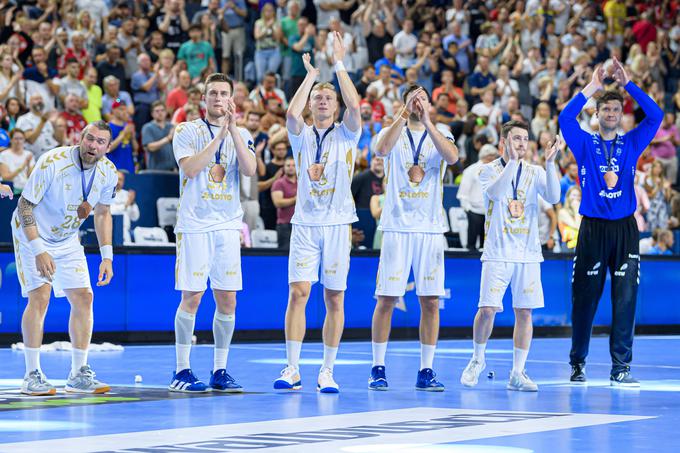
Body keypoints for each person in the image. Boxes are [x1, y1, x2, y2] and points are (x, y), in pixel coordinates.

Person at [558, 58, 663, 386]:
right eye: (606, 110)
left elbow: (656, 115)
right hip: (592, 228)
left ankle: (621, 367)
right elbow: (564, 117)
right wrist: (592, 87)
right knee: (585, 298)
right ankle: (578, 362)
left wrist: (629, 83)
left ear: (621, 115)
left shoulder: (631, 142)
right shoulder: (585, 143)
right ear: (597, 114)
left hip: (625, 230)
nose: (611, 114)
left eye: (617, 110)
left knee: (626, 298)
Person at [273, 33, 361, 393]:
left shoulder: (347, 134)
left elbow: (356, 108)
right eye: (317, 99)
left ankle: (327, 370)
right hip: (306, 224)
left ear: (335, 107)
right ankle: (292, 368)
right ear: (311, 105)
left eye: (328, 98)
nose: (322, 102)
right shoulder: (301, 134)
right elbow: (291, 113)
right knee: (298, 292)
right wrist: (310, 75)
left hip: (339, 224)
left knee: (334, 297)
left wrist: (338, 63)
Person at [11, 121, 117, 396]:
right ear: (80, 137)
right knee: (41, 297)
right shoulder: (53, 162)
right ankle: (32, 375)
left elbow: (103, 213)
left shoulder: (108, 172)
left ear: (108, 147)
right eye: (90, 138)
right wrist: (38, 249)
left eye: (100, 142)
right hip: (31, 232)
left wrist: (107, 257)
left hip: (67, 238)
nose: (93, 146)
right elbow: (24, 205)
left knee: (84, 297)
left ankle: (78, 373)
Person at [169, 73, 256, 393]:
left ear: (232, 99)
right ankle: (181, 370)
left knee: (228, 300)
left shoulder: (242, 133)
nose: (218, 98)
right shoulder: (187, 130)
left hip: (228, 225)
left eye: (224, 93)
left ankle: (220, 369)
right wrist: (218, 138)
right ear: (203, 99)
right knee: (192, 296)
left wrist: (231, 131)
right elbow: (190, 169)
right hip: (194, 225)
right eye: (213, 94)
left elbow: (249, 171)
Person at [368, 85, 459, 391]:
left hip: (430, 228)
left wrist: (429, 121)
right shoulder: (390, 130)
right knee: (387, 299)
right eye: (413, 99)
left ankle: (426, 370)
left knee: (431, 301)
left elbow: (453, 157)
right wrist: (404, 113)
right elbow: (381, 150)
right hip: (396, 227)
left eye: (423, 99)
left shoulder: (441, 130)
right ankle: (377, 367)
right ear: (404, 103)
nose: (419, 103)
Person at [460, 121, 561, 392]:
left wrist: (551, 164)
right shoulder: (486, 170)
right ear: (504, 142)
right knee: (487, 310)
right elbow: (496, 193)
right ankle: (477, 359)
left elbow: (553, 196)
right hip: (497, 252)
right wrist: (513, 164)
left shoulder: (535, 170)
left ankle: (517, 372)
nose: (521, 144)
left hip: (527, 254)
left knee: (524, 312)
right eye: (516, 138)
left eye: (525, 139)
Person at [457, 144, 498, 250]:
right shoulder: (471, 170)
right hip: (474, 210)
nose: (493, 158)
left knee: (488, 245)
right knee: (472, 243)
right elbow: (463, 192)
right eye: (491, 156)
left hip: (490, 211)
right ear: (486, 156)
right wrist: (467, 209)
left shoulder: (497, 171)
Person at [271, 155, 297, 249]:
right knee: (284, 253)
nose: (291, 167)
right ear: (283, 167)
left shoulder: (301, 182)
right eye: (288, 165)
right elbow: (278, 202)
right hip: (284, 225)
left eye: (293, 165)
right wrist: (295, 199)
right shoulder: (279, 183)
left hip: (299, 224)